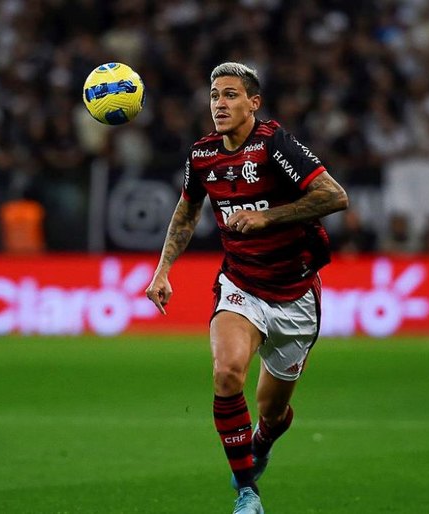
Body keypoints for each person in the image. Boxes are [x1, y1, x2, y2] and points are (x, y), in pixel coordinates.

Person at [145, 63, 348, 514]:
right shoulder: (202, 156)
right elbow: (185, 212)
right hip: (241, 285)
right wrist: (162, 271)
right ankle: (247, 493)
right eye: (215, 95)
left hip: (295, 295)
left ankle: (262, 440)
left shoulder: (275, 145)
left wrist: (267, 216)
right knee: (226, 372)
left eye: (231, 95)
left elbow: (335, 197)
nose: (220, 103)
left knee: (272, 414)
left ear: (253, 103)